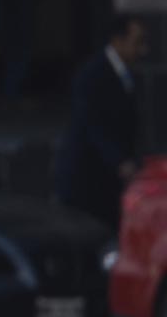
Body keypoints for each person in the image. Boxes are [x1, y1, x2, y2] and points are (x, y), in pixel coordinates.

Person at [55, 16, 149, 230]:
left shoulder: (125, 75)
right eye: (137, 42)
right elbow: (93, 124)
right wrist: (121, 162)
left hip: (109, 181)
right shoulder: (92, 75)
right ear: (118, 41)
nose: (142, 51)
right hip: (87, 181)